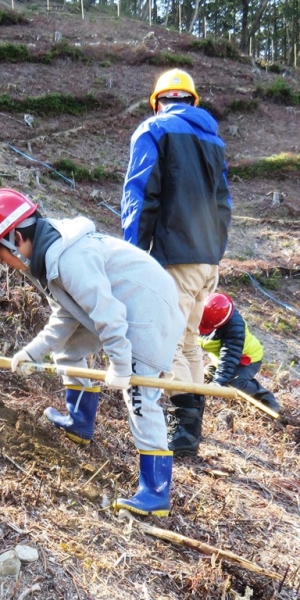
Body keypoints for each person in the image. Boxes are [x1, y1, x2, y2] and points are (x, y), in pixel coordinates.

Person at [0, 188, 185, 517]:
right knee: (69, 349)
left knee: (140, 395)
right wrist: (34, 351)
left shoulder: (69, 258)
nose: (4, 262)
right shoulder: (48, 257)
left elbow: (108, 314)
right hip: (124, 308)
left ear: (14, 238)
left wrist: (122, 366)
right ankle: (80, 421)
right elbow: (67, 316)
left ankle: (155, 492)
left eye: (0, 253)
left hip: (147, 313)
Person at [120, 68, 232, 458]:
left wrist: (132, 255)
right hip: (206, 260)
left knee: (165, 342)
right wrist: (214, 253)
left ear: (159, 101)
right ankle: (190, 432)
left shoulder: (154, 131)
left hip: (175, 255)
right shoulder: (212, 138)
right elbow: (224, 203)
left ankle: (183, 430)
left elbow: (141, 194)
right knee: (188, 340)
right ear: (192, 101)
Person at [198, 292, 281, 413]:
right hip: (220, 359)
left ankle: (263, 396)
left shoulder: (235, 327)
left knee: (234, 382)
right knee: (208, 372)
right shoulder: (201, 313)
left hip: (248, 360)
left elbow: (229, 356)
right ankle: (221, 375)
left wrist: (218, 383)